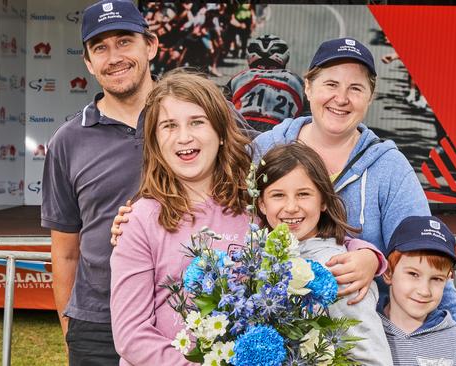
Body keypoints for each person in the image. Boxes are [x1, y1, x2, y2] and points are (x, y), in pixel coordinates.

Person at [109, 71, 382, 365]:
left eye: (197, 122)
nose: (184, 137)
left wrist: (366, 255)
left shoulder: (252, 203)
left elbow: (309, 233)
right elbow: (130, 333)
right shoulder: (142, 219)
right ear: (154, 140)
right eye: (169, 126)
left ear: (221, 133)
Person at [252, 37, 456, 365]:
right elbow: (232, 229)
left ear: (370, 96)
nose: (341, 98)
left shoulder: (388, 166)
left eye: (356, 88)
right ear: (308, 86)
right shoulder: (264, 150)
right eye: (331, 84)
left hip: (359, 345)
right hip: (268, 338)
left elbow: (427, 260)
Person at [41, 1, 158, 364]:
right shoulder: (67, 140)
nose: (114, 57)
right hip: (97, 323)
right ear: (89, 63)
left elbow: (269, 165)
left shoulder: (194, 118)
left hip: (183, 310)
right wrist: (70, 332)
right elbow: (65, 251)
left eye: (125, 41)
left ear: (150, 46)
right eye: (100, 48)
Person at [256, 142, 393, 366]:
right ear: (262, 203)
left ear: (323, 202)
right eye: (278, 195)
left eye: (303, 194)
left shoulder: (339, 269)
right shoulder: (260, 258)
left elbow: (373, 359)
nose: (291, 207)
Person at [380, 216, 456, 366]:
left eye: (437, 279)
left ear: (447, 279)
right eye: (413, 274)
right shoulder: (364, 329)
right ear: (388, 272)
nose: (424, 291)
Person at [225, 34, 306, 132]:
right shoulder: (295, 80)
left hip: (241, 130)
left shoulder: (239, 77)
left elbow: (222, 107)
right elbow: (308, 115)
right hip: (279, 132)